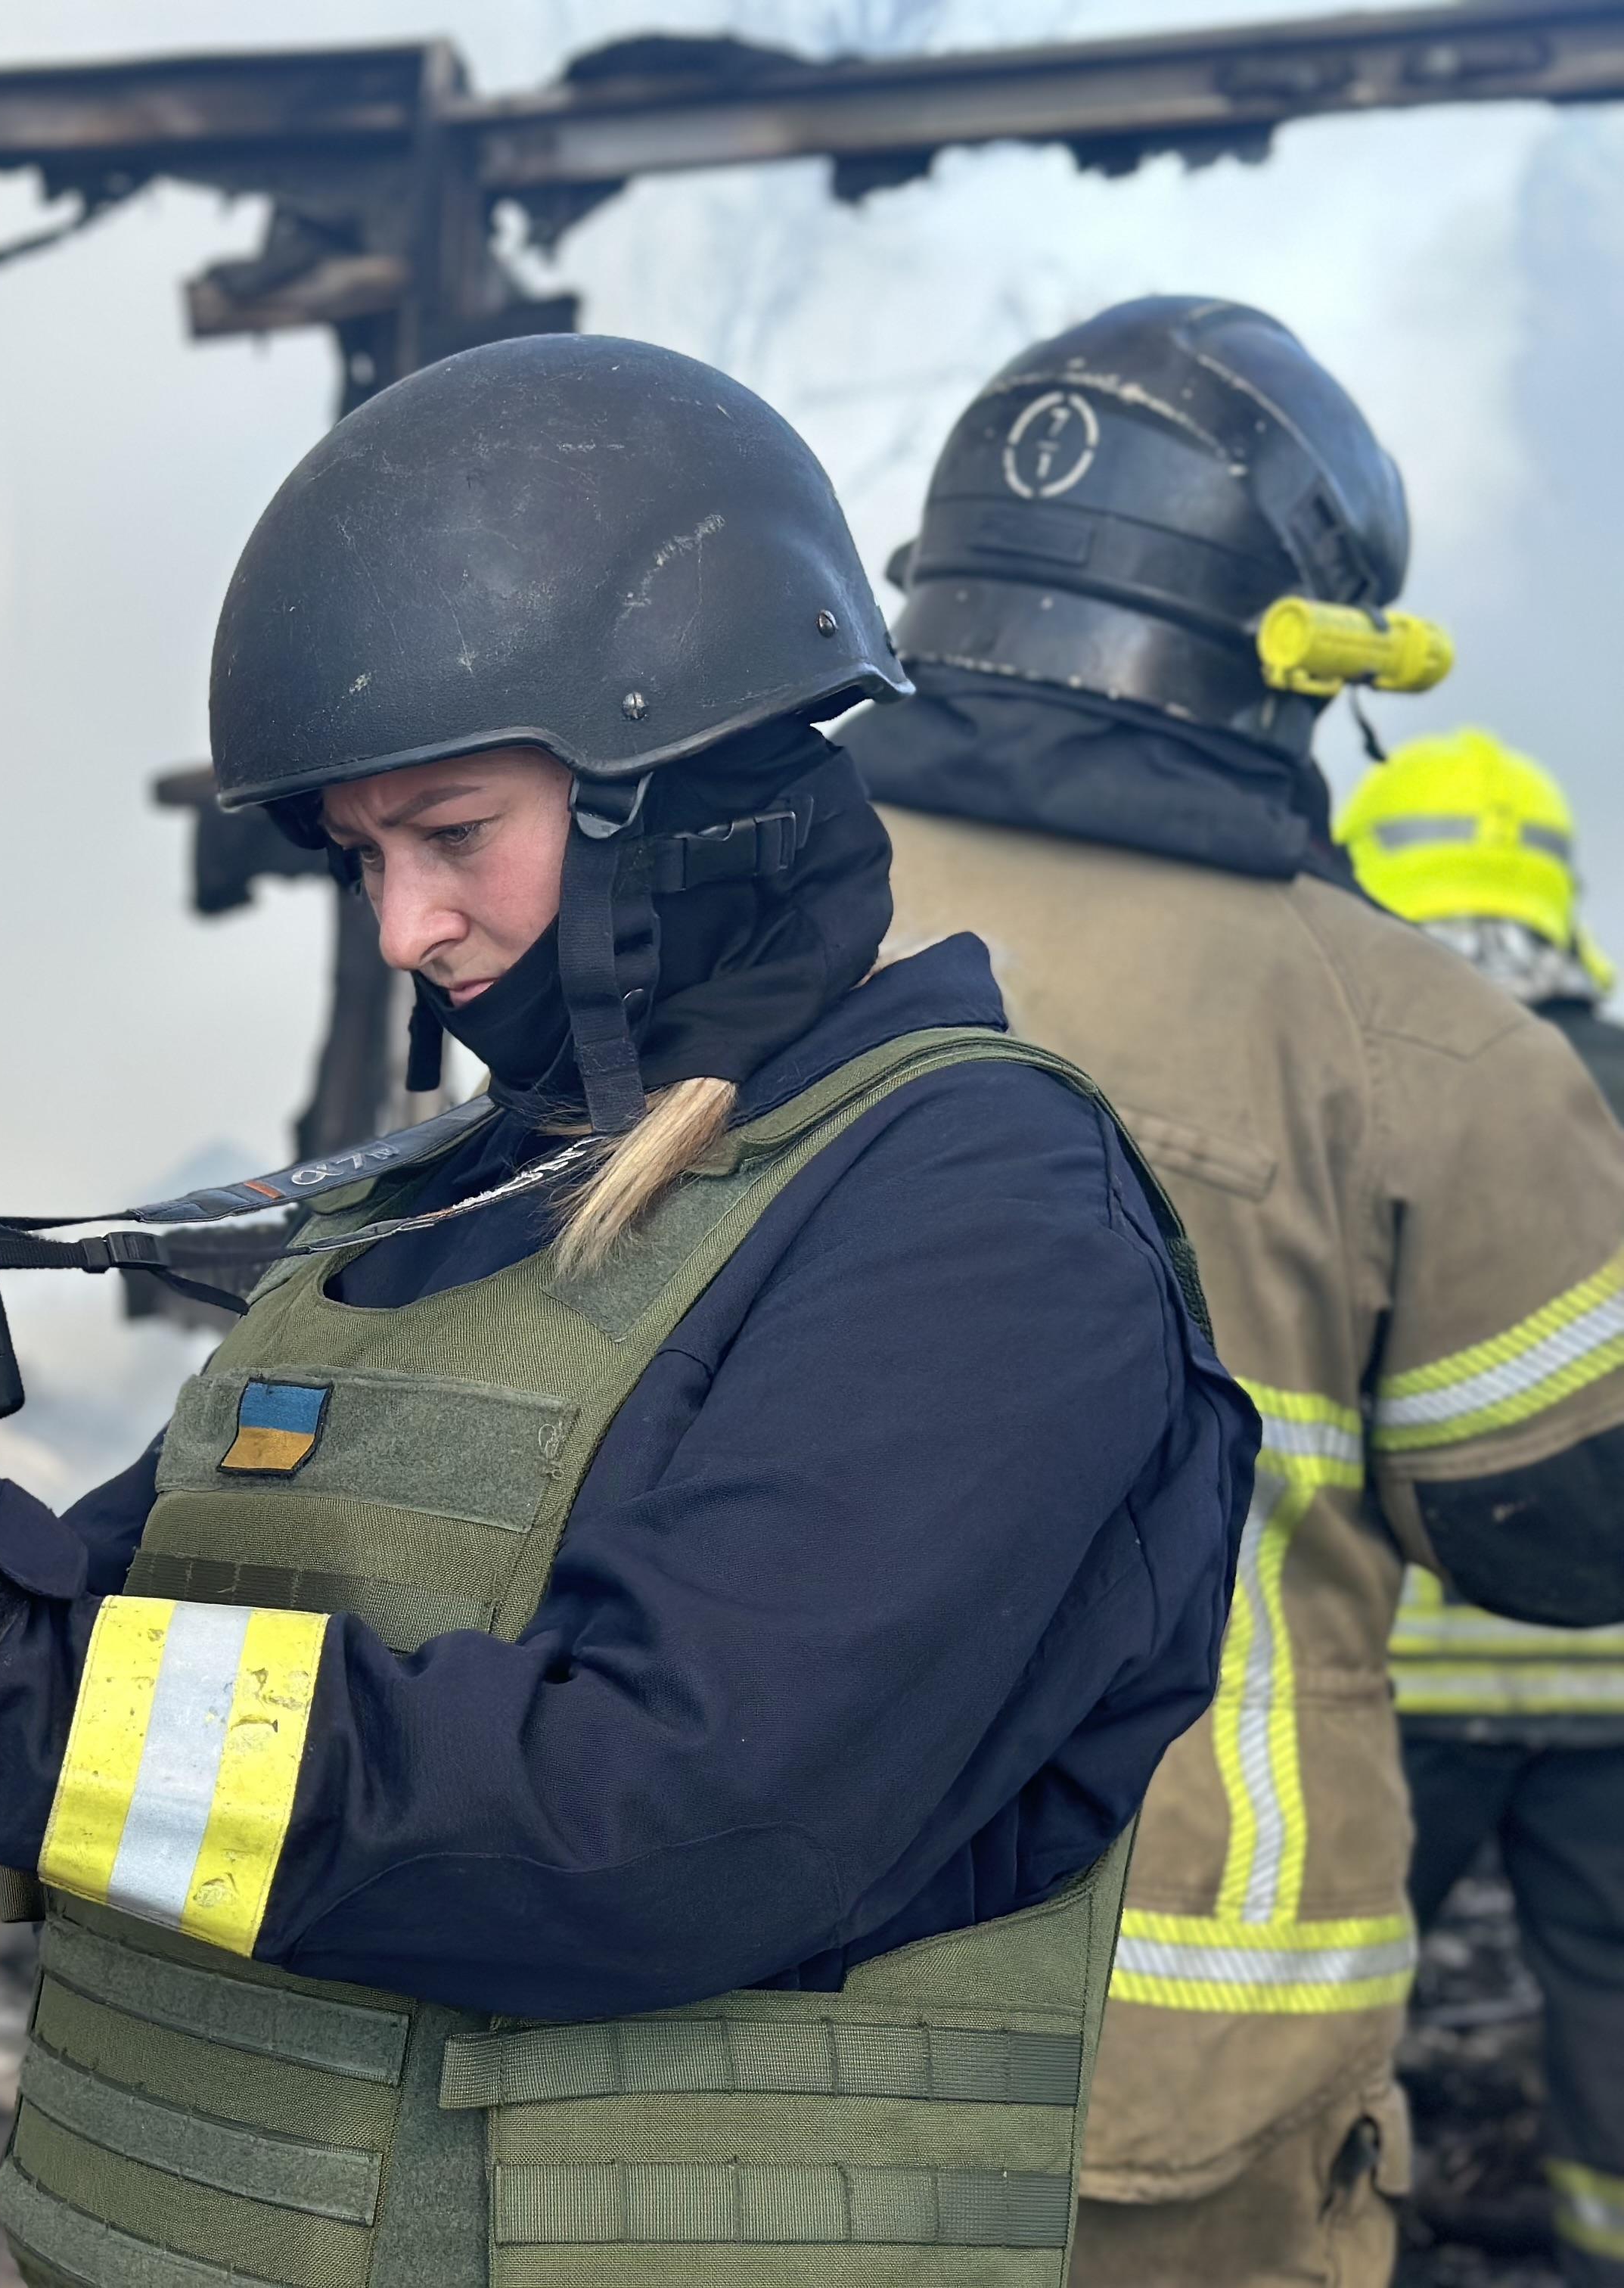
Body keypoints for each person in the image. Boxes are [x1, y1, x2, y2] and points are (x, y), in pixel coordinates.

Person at [0, 333, 1253, 2288]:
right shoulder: (433, 1214)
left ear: (675, 798)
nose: (406, 930)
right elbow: (44, 1747)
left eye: (450, 833)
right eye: (362, 860)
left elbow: (651, 1826)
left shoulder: (979, 1223)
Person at [843, 297, 1624, 2288]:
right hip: (1168, 2048)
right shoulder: (1412, 1047)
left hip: (690, 1990)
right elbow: (1560, 1530)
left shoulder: (716, 921)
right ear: (1312, 653)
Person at [1338, 727, 1624, 2287]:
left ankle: (1336, 2241)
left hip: (1409, 1663)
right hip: (1612, 1663)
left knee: (1339, 2000)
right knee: (1614, 2001)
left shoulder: (1364, 1092)